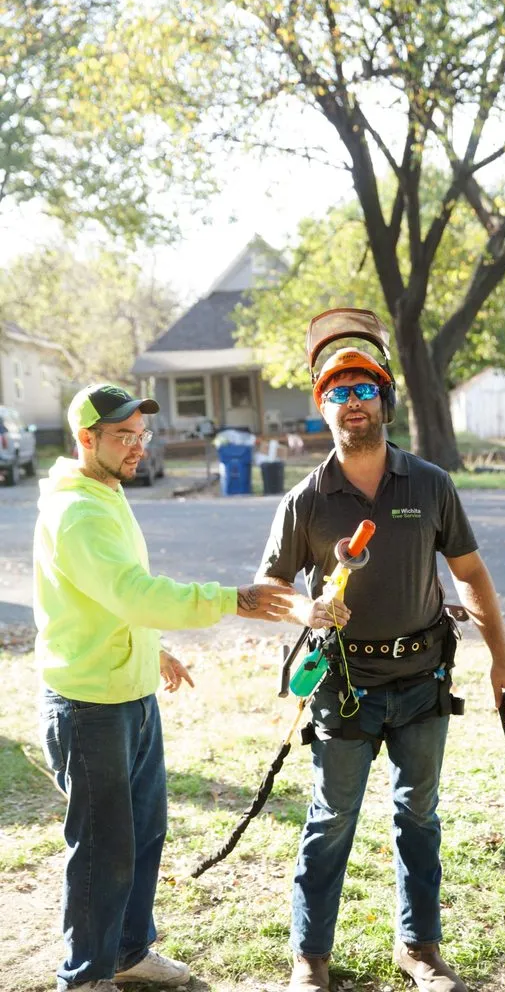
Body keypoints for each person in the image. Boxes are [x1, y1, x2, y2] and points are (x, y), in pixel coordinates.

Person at [35, 383, 340, 992]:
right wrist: (234, 600)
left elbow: (107, 597)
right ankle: (86, 977)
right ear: (85, 438)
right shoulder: (78, 511)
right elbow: (136, 593)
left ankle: (127, 951)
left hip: (129, 692)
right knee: (100, 849)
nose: (137, 448)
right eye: (123, 436)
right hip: (88, 705)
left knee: (145, 832)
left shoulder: (104, 492)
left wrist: (152, 649)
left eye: (141, 436)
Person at [256, 328, 505, 992]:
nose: (354, 402)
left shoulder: (429, 484)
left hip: (422, 678)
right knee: (331, 818)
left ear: (385, 403)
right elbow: (268, 590)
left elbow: (470, 574)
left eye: (365, 390)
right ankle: (310, 958)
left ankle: (420, 950)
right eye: (339, 392)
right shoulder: (307, 499)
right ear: (323, 409)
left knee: (418, 814)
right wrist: (307, 609)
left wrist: (503, 661)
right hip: (343, 686)